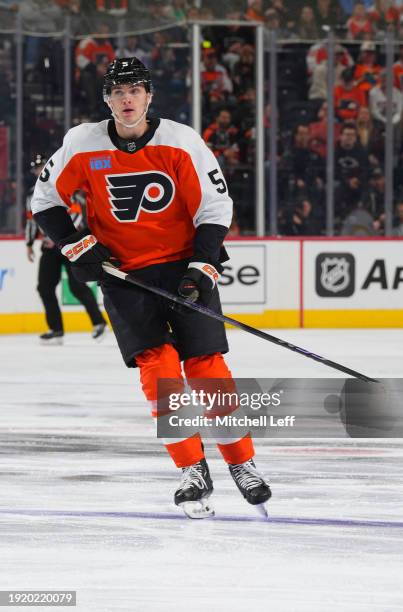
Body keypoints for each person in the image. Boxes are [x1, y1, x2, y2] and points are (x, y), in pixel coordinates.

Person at [30, 57, 271, 518]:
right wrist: (78, 245)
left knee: (206, 368)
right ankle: (192, 468)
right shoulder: (82, 143)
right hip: (125, 276)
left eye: (135, 90)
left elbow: (216, 208)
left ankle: (244, 465)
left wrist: (201, 267)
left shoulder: (181, 140)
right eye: (118, 92)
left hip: (184, 267)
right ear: (107, 99)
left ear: (149, 96)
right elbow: (45, 201)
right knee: (158, 370)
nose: (127, 99)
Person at [26, 155, 108, 345]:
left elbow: (78, 215)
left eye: (41, 167)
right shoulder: (31, 194)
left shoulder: (64, 186)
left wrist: (65, 240)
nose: (39, 171)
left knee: (77, 285)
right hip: (49, 248)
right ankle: (56, 330)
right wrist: (29, 243)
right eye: (36, 168)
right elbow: (31, 220)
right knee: (44, 287)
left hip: (71, 246)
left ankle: (98, 322)